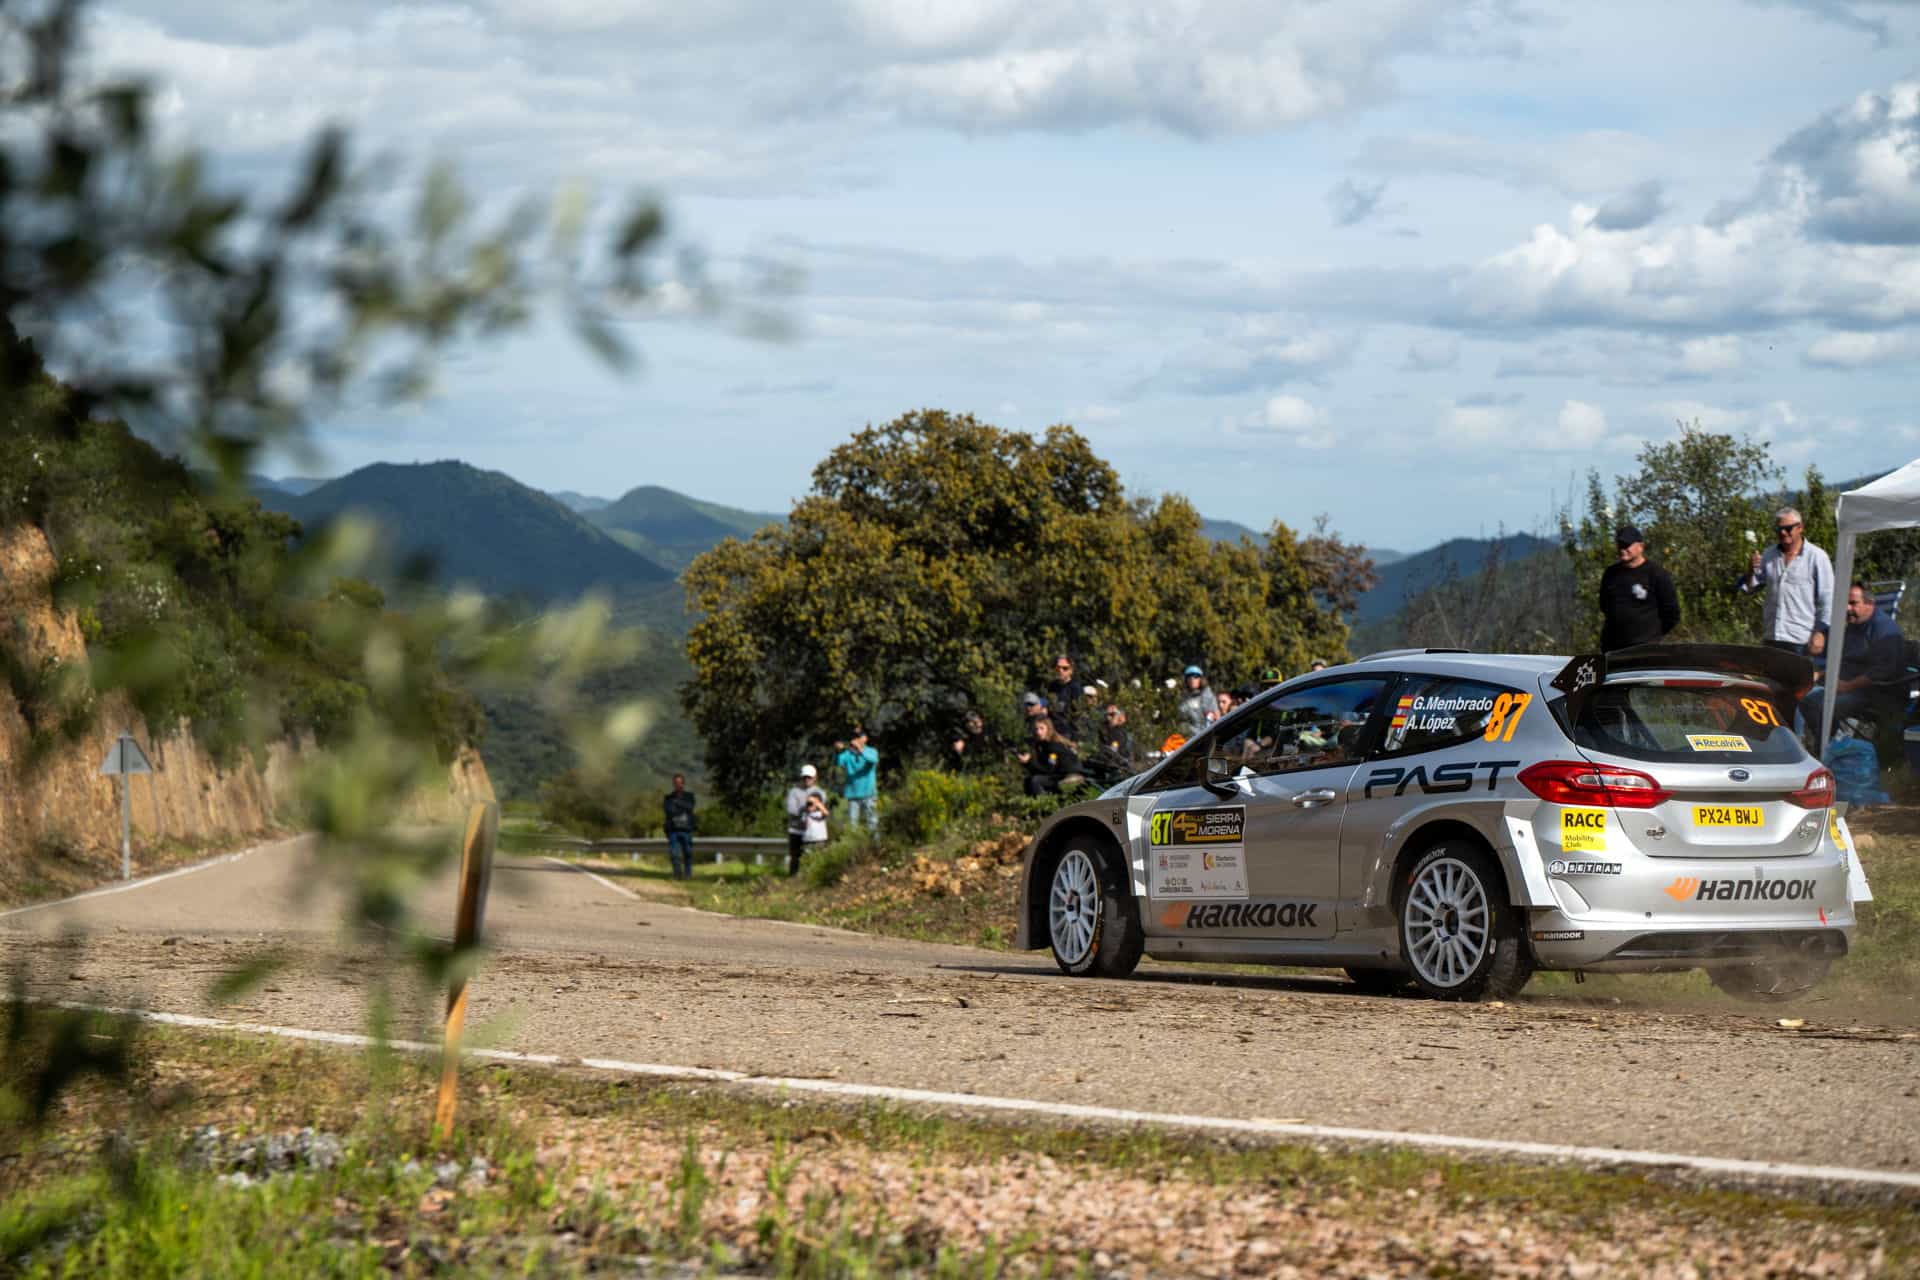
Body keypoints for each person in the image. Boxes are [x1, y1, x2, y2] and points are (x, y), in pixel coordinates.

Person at [1800, 583, 1906, 745]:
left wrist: (1848, 686)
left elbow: (1884, 670)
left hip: (1876, 692)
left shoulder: (1884, 629)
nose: (1847, 608)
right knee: (1804, 697)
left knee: (1821, 705)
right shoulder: (1854, 625)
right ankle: (1832, 745)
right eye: (1845, 604)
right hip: (1847, 686)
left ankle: (1830, 749)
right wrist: (1821, 674)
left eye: (1853, 603)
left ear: (1870, 603)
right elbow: (1846, 661)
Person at [1739, 506, 1833, 656]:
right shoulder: (1768, 555)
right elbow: (1750, 589)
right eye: (1779, 529)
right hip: (1772, 636)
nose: (1783, 533)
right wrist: (1750, 569)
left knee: (1799, 679)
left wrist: (1820, 632)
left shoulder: (1817, 557)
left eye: (1788, 528)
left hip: (1801, 639)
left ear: (1800, 528)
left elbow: (1828, 599)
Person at [1599, 524, 1681, 650]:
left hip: (1645, 649)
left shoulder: (1657, 574)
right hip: (1613, 649)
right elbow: (1604, 605)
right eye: (1620, 545)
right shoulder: (1611, 574)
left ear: (1640, 547)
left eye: (1627, 545)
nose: (1622, 549)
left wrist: (1651, 636)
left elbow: (1672, 614)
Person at [1016, 717, 1083, 795]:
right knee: (1029, 780)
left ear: (1049, 729)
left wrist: (1029, 761)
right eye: (1036, 729)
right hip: (1060, 775)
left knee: (1036, 780)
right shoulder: (1044, 744)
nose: (1038, 732)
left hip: (1068, 776)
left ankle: (1043, 804)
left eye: (1042, 728)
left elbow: (1050, 768)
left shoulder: (1053, 746)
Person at [784, 764, 830, 876]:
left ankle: (812, 877)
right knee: (795, 856)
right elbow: (791, 809)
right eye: (805, 777)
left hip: (813, 832)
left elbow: (822, 809)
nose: (807, 779)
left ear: (815, 778)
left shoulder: (820, 792)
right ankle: (793, 878)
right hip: (796, 830)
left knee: (814, 856)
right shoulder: (794, 792)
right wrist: (805, 808)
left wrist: (816, 804)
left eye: (809, 777)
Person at [833, 727, 880, 834]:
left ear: (865, 738)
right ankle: (854, 848)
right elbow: (838, 763)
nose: (856, 740)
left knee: (872, 823)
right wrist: (838, 750)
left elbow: (873, 760)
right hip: (853, 796)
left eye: (858, 737)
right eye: (854, 737)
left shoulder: (871, 751)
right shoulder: (847, 754)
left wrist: (860, 750)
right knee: (852, 825)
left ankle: (876, 847)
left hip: (869, 794)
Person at [1085, 703, 1135, 782]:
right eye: (1110, 715)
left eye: (1114, 715)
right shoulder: (1104, 728)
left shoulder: (1122, 732)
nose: (1111, 717)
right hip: (1110, 760)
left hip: (1119, 761)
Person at [662, 773, 696, 880]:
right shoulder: (668, 798)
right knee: (674, 854)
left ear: (683, 783)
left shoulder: (689, 796)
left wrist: (677, 804)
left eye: (680, 783)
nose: (678, 785)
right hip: (673, 830)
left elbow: (690, 808)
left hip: (686, 829)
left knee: (688, 853)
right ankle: (677, 875)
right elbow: (669, 811)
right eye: (676, 783)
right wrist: (681, 807)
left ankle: (688, 874)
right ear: (673, 784)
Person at [1044, 654, 1086, 739]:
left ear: (1071, 670)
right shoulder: (1052, 686)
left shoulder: (1075, 688)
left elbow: (1079, 715)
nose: (1061, 670)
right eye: (1058, 668)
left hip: (1066, 733)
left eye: (1065, 668)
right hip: (1051, 731)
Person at [1176, 665, 1215, 736]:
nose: (1192, 679)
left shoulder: (1208, 695)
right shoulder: (1182, 698)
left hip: (1206, 734)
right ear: (1185, 679)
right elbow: (1180, 719)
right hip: (1189, 737)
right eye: (1189, 676)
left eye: (1196, 676)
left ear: (1201, 679)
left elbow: (1212, 715)